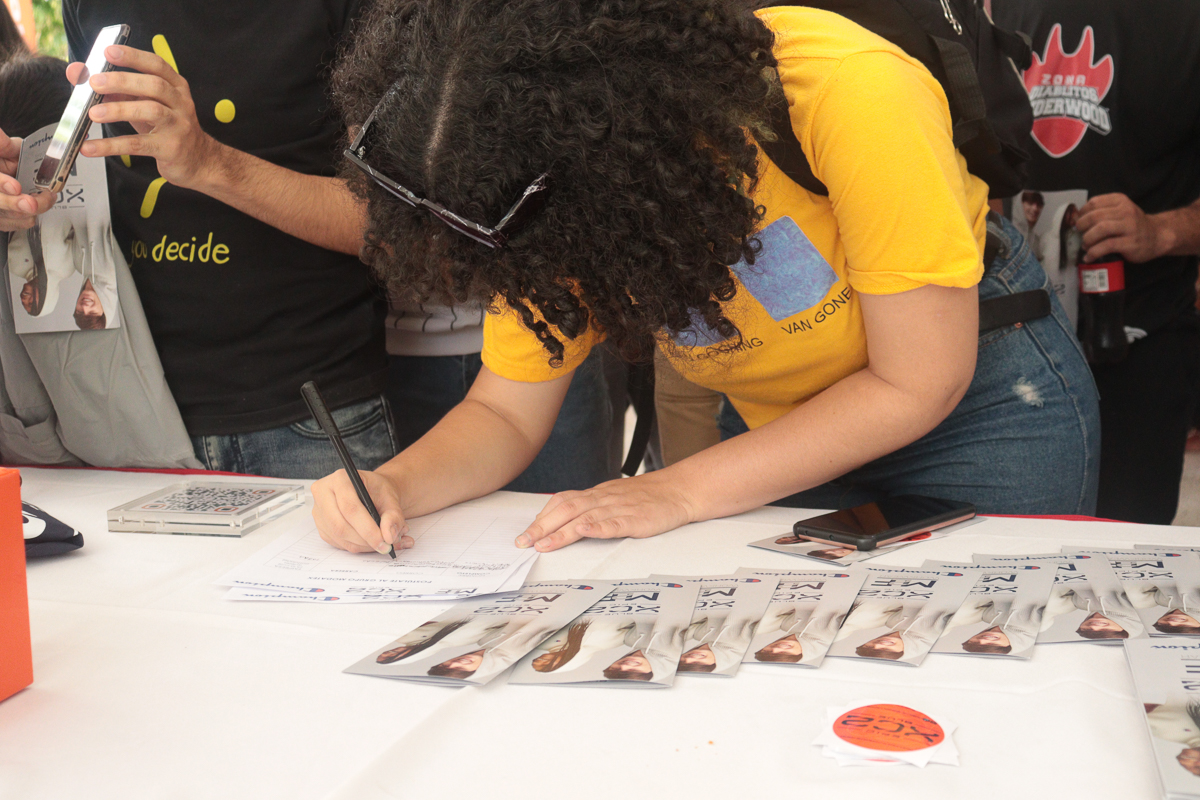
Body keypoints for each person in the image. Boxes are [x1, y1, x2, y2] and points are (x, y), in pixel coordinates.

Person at [312, 0, 1099, 556]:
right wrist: (394, 485)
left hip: (982, 410)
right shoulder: (538, 192)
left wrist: (677, 491)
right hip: (790, 439)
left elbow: (918, 381)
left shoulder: (843, 85)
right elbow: (505, 413)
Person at [992, 1, 1200, 524]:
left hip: (1138, 340)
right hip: (1004, 344)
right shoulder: (987, 10)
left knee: (1123, 546)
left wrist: (1160, 230)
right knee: (1009, 545)